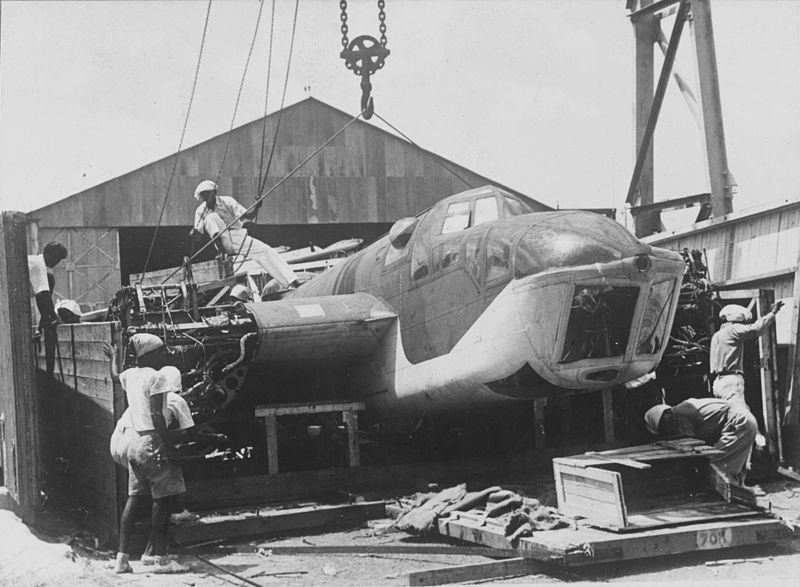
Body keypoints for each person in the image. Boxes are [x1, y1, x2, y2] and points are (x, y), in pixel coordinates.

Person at [102, 334, 190, 574]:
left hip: (134, 441)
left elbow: (114, 375)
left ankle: (121, 559)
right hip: (152, 441)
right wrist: (169, 443)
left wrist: (115, 357)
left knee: (134, 498)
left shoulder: (130, 374)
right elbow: (157, 415)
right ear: (149, 354)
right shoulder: (156, 377)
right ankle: (160, 559)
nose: (163, 355)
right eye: (160, 351)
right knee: (161, 501)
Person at [189, 179, 299, 289]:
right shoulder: (200, 211)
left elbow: (247, 217)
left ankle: (290, 281)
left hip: (238, 237)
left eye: (208, 196)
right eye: (203, 197)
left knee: (266, 251)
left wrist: (256, 207)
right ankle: (222, 252)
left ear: (214, 193)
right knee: (211, 217)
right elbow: (198, 237)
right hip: (222, 242)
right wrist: (194, 234)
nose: (207, 200)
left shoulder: (227, 201)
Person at [644, 397, 758, 483]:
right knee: (732, 467)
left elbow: (689, 442)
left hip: (738, 422)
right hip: (744, 419)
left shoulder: (677, 414)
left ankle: (730, 503)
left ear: (662, 418)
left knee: (716, 468)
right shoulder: (685, 407)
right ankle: (738, 496)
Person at [710, 301, 784, 407]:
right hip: (731, 381)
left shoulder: (716, 335)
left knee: (725, 416)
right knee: (739, 414)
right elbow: (756, 329)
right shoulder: (733, 329)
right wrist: (772, 313)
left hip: (718, 382)